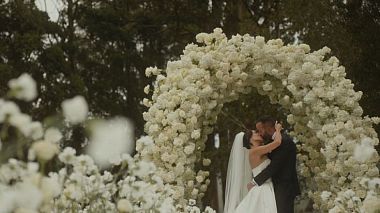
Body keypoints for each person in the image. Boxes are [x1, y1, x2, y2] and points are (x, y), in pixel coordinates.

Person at [224, 121, 283, 213]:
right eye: (255, 133)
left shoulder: (260, 149)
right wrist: (278, 130)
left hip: (265, 186)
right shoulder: (254, 151)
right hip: (262, 189)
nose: (258, 133)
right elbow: (277, 142)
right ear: (250, 139)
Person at [249, 117, 301, 213]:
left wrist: (255, 181)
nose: (259, 133)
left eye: (260, 130)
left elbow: (274, 166)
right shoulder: (271, 143)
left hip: (284, 187)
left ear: (267, 128)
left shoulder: (285, 142)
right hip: (275, 187)